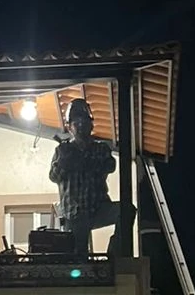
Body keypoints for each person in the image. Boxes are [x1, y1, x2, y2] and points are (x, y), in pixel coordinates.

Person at [49, 98, 135, 255]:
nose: (81, 127)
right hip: (75, 213)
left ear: (91, 125)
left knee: (126, 210)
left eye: (85, 122)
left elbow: (111, 166)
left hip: (99, 208)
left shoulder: (101, 149)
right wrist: (64, 161)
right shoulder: (62, 151)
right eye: (77, 123)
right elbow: (54, 177)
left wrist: (88, 159)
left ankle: (115, 254)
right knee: (79, 258)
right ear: (70, 127)